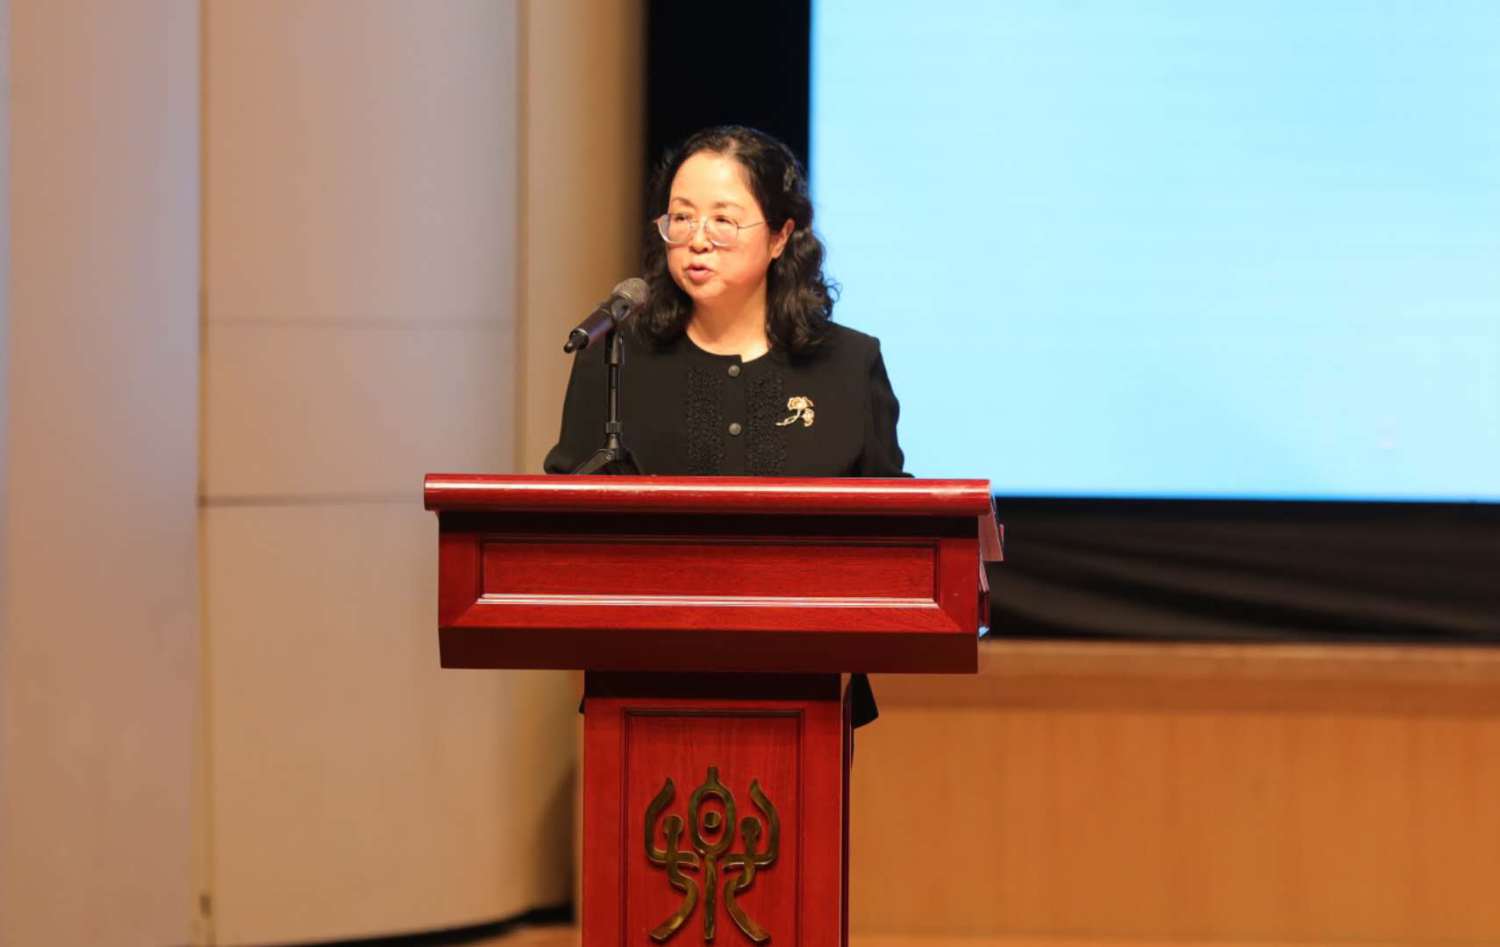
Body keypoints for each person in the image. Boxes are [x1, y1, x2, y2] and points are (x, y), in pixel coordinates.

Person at [544, 125, 907, 725]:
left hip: (811, 686)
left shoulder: (848, 363)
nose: (697, 241)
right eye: (681, 218)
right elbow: (561, 521)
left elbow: (894, 524)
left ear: (781, 235)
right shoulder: (614, 357)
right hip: (638, 687)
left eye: (723, 220)